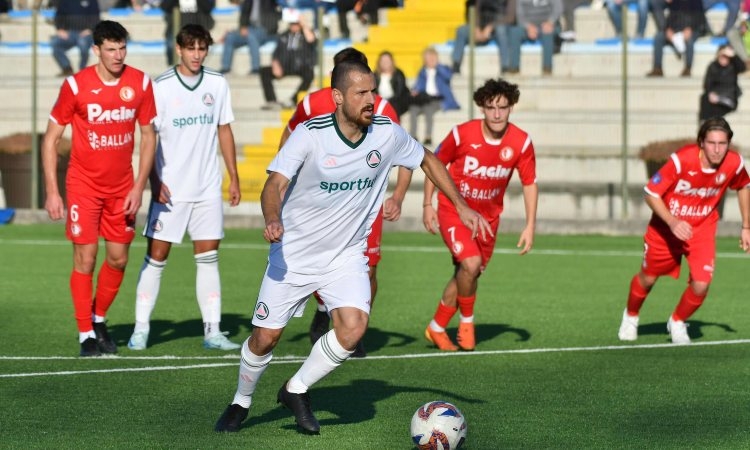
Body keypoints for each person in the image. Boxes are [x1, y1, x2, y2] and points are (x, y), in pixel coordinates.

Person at [214, 57, 491, 435]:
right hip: (294, 253)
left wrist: (460, 205)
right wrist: (273, 218)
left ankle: (296, 389)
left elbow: (427, 159)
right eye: (361, 92)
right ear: (337, 96)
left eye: (373, 91)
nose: (371, 99)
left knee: (353, 328)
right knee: (265, 339)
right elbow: (274, 185)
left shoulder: (386, 133)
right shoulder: (310, 134)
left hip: (345, 255)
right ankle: (240, 402)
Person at [279, 47, 413, 358]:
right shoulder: (312, 103)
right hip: (320, 203)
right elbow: (289, 135)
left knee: (368, 270)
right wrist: (284, 178)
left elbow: (408, 154)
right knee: (316, 260)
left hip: (365, 204)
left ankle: (353, 328)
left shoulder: (382, 108)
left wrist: (398, 196)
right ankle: (325, 309)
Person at [41, 20, 157, 357]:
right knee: (86, 257)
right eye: (111, 49)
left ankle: (99, 318)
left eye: (122, 48)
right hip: (83, 186)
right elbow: (51, 139)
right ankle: (85, 334)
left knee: (119, 259)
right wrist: (52, 190)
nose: (118, 55)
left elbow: (149, 136)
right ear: (96, 50)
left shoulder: (140, 83)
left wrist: (139, 188)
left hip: (123, 188)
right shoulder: (76, 86)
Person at [126, 24, 242, 351]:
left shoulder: (218, 84)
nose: (196, 54)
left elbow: (224, 130)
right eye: (191, 48)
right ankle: (141, 328)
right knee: (156, 256)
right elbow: (149, 139)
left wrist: (232, 176)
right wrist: (153, 181)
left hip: (207, 188)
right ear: (179, 49)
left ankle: (213, 330)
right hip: (170, 190)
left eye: (202, 48)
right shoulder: (160, 87)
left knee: (208, 257)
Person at [422, 78, 538, 351]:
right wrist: (428, 204)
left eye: (503, 107)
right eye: (490, 107)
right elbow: (434, 164)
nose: (497, 114)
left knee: (468, 273)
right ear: (481, 108)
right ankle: (467, 323)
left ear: (511, 108)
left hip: (488, 219)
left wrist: (530, 224)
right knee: (471, 264)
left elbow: (529, 183)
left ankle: (436, 328)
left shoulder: (521, 142)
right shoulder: (463, 134)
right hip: (455, 210)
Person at [617, 117, 750, 345]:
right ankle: (631, 316)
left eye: (722, 144)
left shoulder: (734, 163)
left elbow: (743, 185)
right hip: (665, 229)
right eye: (711, 143)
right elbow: (650, 193)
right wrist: (672, 222)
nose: (717, 150)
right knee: (648, 279)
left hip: (702, 229)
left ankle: (677, 321)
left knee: (702, 283)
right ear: (701, 142)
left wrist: (746, 226)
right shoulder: (681, 161)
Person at [259, 8, 317, 110]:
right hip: (285, 66)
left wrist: (303, 24)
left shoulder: (306, 33)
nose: (294, 25)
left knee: (310, 73)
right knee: (264, 71)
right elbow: (276, 53)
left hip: (301, 66)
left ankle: (293, 100)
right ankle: (271, 100)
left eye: (296, 23)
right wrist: (275, 64)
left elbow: (312, 40)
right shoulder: (283, 35)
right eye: (292, 23)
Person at [408, 46, 460, 146]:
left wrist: (438, 67)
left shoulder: (443, 69)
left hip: (438, 98)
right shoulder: (422, 72)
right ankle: (413, 135)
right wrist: (415, 91)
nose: (431, 60)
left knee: (428, 110)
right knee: (413, 109)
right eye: (428, 58)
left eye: (433, 58)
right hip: (425, 98)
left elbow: (448, 76)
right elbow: (418, 85)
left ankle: (428, 136)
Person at [451, 0, 516, 75]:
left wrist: (491, 26)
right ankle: (456, 64)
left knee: (501, 31)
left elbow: (510, 17)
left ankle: (505, 67)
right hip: (480, 26)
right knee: (461, 30)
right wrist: (476, 28)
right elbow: (476, 11)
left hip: (497, 28)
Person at [219, 0, 280, 75]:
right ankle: (226, 67)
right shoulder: (248, 1)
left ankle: (256, 68)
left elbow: (279, 6)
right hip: (250, 28)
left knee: (251, 37)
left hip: (265, 30)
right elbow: (243, 15)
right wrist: (243, 27)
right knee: (230, 37)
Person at [646, 0, 705, 77]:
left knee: (689, 41)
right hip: (676, 28)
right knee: (659, 37)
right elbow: (671, 16)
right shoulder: (675, 2)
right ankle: (657, 68)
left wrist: (690, 29)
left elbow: (700, 18)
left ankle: (688, 68)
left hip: (692, 29)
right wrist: (667, 29)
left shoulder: (697, 2)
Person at [507, 0, 563, 76]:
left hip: (549, 24)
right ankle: (514, 67)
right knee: (514, 32)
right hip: (527, 26)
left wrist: (550, 22)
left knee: (547, 32)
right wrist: (528, 26)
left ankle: (547, 67)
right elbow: (519, 14)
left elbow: (558, 8)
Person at [50, 0, 101, 77]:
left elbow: (96, 17)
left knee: (82, 43)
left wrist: (90, 29)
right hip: (70, 33)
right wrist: (60, 29)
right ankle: (67, 69)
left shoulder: (92, 1)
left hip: (86, 33)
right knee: (55, 43)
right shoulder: (64, 2)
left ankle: (82, 69)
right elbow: (59, 15)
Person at [698, 44, 746, 123]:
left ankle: (707, 124)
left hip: (729, 98)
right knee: (704, 98)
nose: (724, 58)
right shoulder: (713, 66)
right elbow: (707, 84)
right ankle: (704, 123)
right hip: (715, 97)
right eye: (722, 55)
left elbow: (743, 68)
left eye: (726, 56)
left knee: (714, 111)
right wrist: (711, 94)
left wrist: (733, 55)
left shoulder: (733, 65)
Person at [160, 0, 215, 66]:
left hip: (197, 28)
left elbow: (208, 8)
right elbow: (164, 7)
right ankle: (172, 66)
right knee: (171, 45)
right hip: (175, 28)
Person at [374, 50, 410, 119]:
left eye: (387, 60)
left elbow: (399, 93)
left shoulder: (398, 74)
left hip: (396, 102)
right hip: (380, 101)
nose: (385, 62)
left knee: (393, 106)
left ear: (392, 61)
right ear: (379, 62)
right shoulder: (375, 75)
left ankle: (395, 127)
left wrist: (387, 102)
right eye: (383, 60)